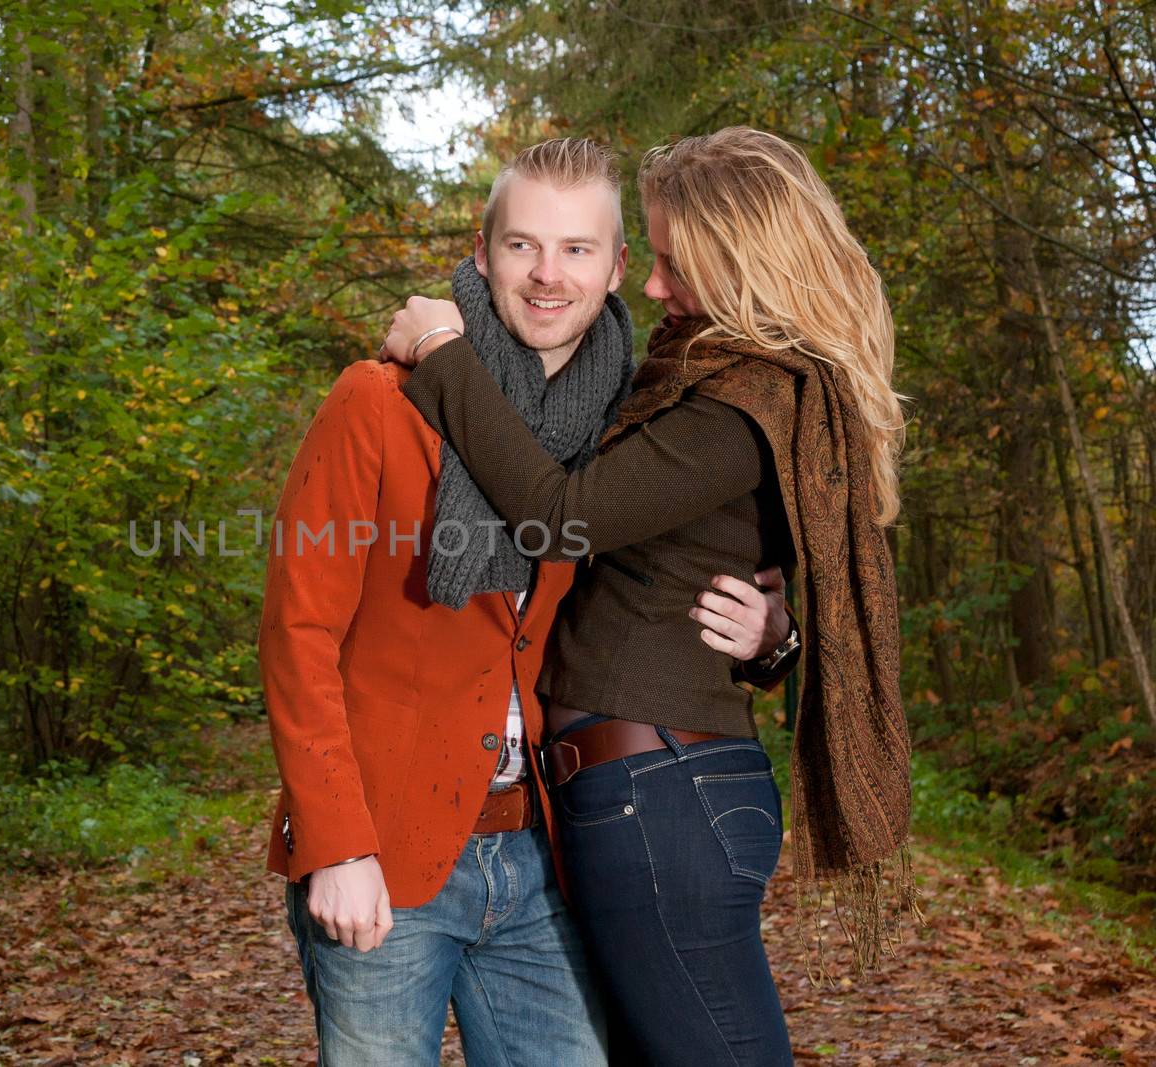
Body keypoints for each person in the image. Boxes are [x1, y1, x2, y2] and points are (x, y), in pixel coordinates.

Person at [260, 137, 798, 1066]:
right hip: (387, 850)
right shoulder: (376, 402)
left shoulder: (624, 427)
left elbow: (675, 575)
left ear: (618, 267)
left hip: (545, 854)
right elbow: (298, 631)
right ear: (482, 252)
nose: (549, 276)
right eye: (523, 247)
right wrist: (337, 844)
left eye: (578, 250)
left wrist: (772, 635)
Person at [384, 126, 912, 1066]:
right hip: (648, 785)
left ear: (743, 259)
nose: (656, 287)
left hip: (660, 794)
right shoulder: (704, 378)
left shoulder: (736, 406)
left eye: (676, 263)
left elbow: (557, 516)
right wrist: (773, 637)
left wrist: (444, 355)